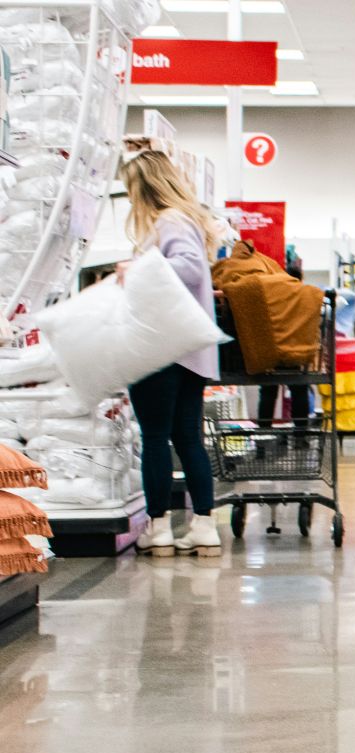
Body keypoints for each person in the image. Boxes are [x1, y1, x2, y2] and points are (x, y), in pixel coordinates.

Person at [121, 150, 225, 558]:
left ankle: (159, 527)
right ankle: (203, 527)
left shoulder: (167, 222)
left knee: (156, 438)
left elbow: (187, 269)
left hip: (160, 348)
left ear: (143, 187)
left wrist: (135, 271)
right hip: (188, 350)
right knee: (188, 438)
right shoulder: (188, 222)